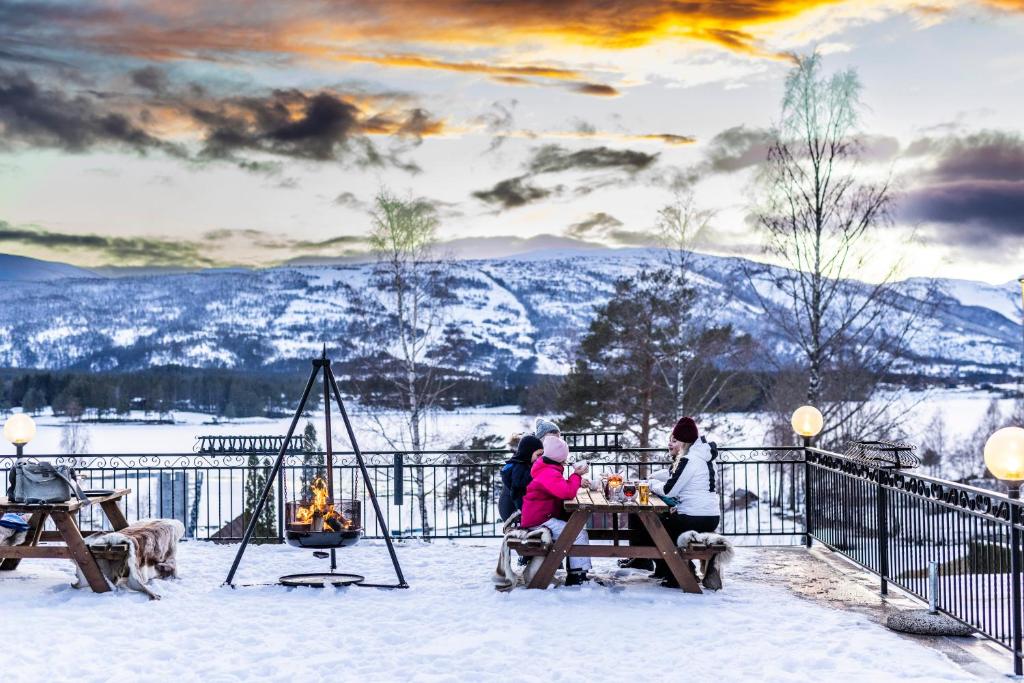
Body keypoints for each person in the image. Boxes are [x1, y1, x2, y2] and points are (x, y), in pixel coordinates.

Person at [625, 416, 721, 588]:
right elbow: (683, 481)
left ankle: (677, 574)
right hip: (711, 516)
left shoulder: (689, 459)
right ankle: (669, 569)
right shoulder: (705, 458)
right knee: (658, 521)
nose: (671, 443)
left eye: (675, 439)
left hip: (693, 518)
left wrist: (650, 484)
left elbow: (670, 490)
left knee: (652, 525)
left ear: (684, 441)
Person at [520, 436, 593, 586]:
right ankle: (577, 577)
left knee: (575, 530)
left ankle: (577, 573)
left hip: (539, 517)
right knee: (578, 534)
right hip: (539, 521)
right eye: (564, 458)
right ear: (559, 458)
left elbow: (560, 487)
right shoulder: (548, 472)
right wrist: (577, 476)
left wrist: (575, 479)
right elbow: (566, 493)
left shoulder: (546, 468)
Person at [498, 434, 544, 521]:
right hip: (512, 512)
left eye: (542, 454)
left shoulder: (524, 463)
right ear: (529, 452)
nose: (540, 458)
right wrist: (535, 470)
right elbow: (519, 483)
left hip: (515, 509)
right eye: (538, 455)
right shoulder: (519, 466)